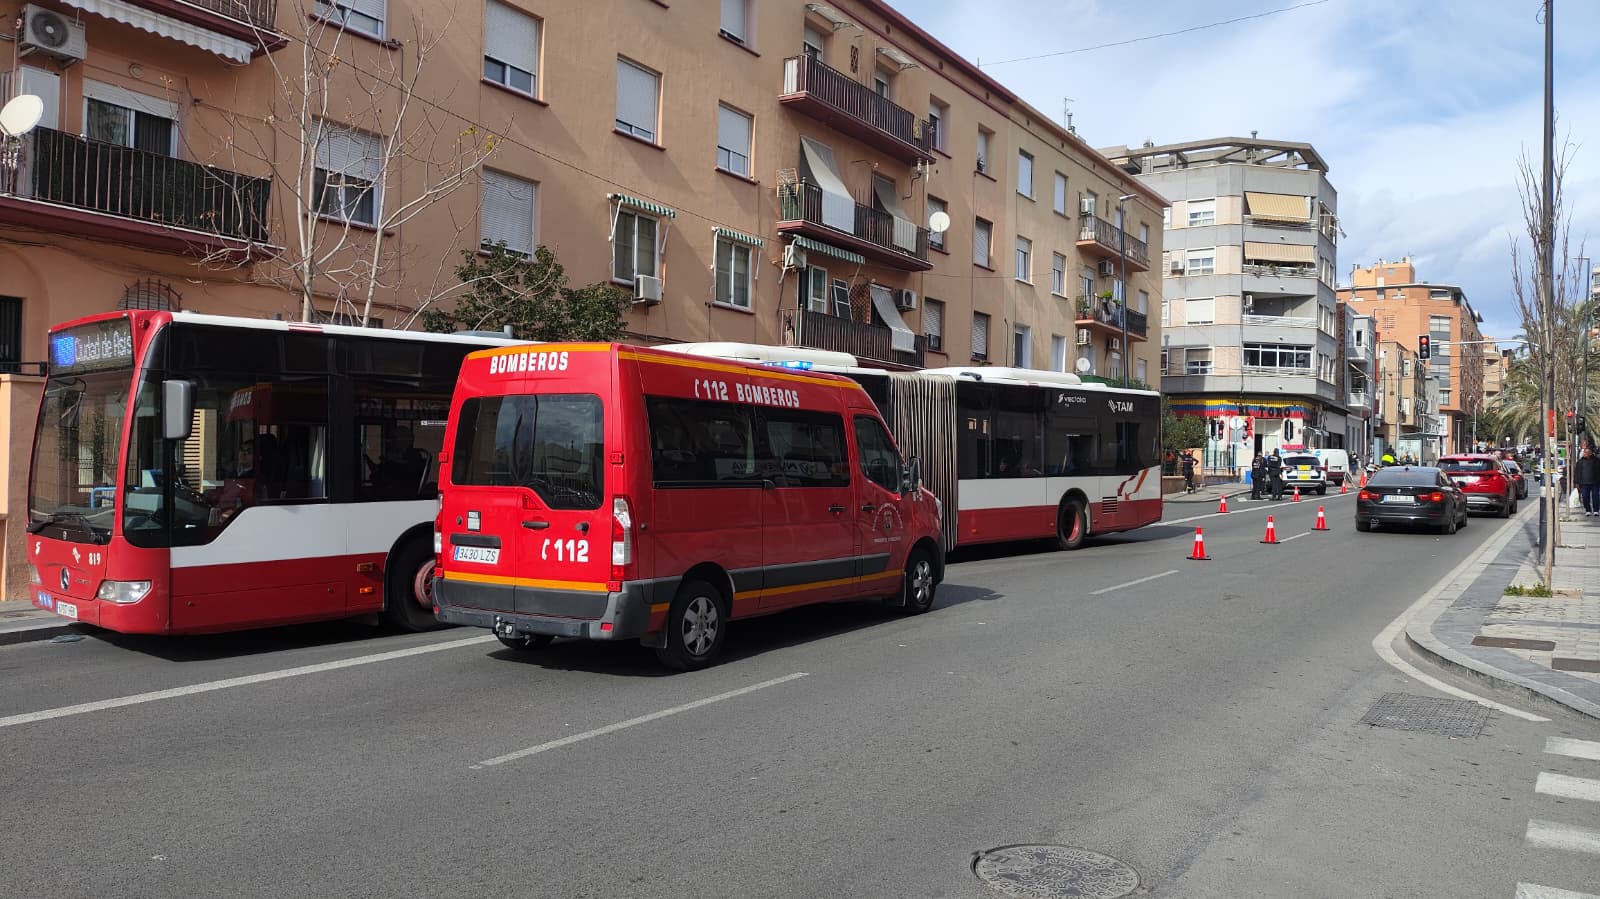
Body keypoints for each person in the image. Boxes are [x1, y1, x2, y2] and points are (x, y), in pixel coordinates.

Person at [1576, 445, 1600, 517]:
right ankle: (1588, 510)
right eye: (1584, 452)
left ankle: (1596, 510)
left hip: (1595, 482)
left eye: (1587, 452)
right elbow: (1577, 472)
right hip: (1584, 483)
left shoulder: (1597, 461)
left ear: (1591, 453)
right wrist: (1576, 482)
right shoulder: (1580, 462)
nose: (1585, 454)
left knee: (1596, 497)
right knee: (1585, 497)